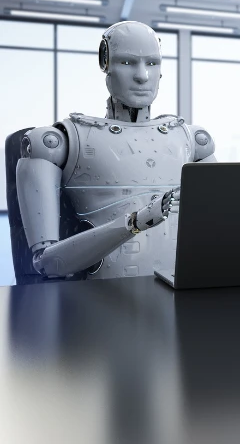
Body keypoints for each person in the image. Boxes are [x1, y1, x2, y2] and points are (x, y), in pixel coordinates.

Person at [15, 21, 214, 279]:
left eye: (152, 63)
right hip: (101, 302)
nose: (142, 75)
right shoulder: (61, 142)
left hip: (183, 295)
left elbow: (221, 230)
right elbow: (48, 263)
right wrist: (135, 222)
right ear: (105, 65)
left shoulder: (191, 140)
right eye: (127, 62)